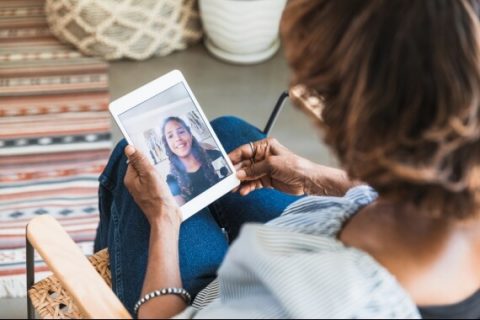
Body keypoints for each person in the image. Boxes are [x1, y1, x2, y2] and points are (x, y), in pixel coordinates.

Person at [94, 0, 480, 318]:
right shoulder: (460, 178)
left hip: (207, 305)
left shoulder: (311, 303)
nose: (301, 99)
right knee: (228, 131)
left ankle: (108, 278)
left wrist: (163, 219)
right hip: (306, 245)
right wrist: (319, 179)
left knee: (132, 168)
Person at [161, 116, 223, 205]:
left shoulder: (215, 155)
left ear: (190, 134)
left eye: (181, 132)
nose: (177, 138)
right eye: (170, 136)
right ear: (167, 144)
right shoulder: (172, 180)